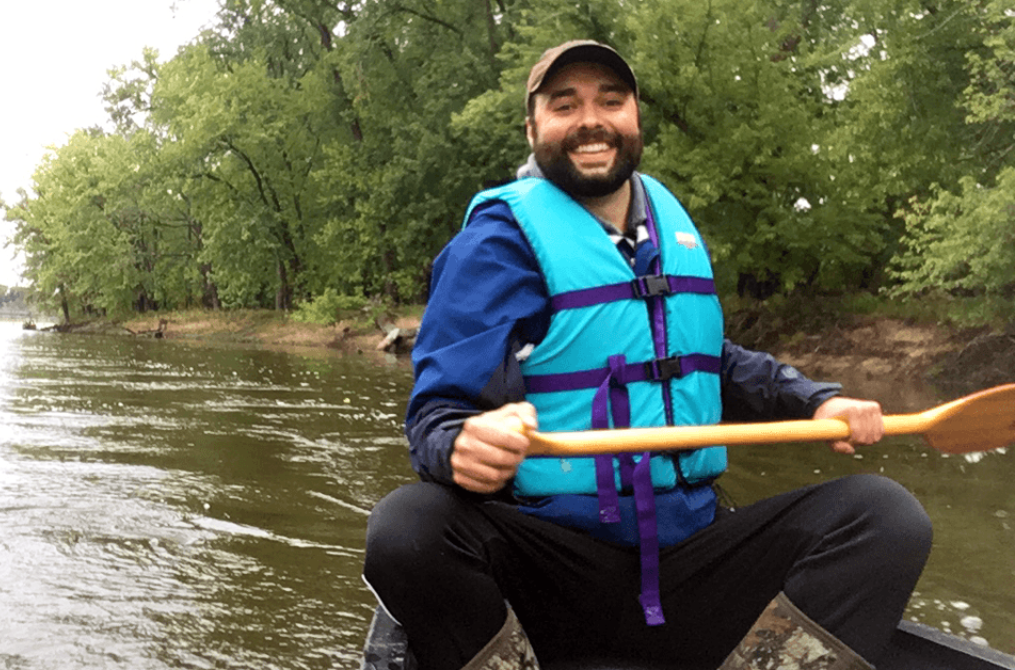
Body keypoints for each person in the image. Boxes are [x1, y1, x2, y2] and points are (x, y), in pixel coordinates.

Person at [363, 40, 932, 670]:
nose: (591, 120)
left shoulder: (669, 228)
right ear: (533, 128)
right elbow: (435, 416)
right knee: (407, 529)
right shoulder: (495, 244)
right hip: (552, 566)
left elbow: (705, 359)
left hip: (688, 553)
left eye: (611, 101)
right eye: (564, 104)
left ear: (635, 119)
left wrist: (819, 399)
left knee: (886, 518)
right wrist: (461, 444)